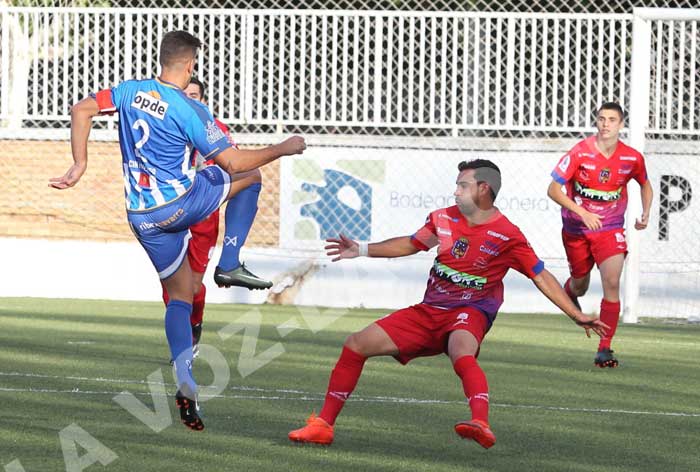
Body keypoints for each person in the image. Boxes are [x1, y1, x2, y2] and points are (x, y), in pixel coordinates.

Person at [50, 30, 306, 431]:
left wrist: (79, 164)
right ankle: (230, 262)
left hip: (141, 216)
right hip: (180, 203)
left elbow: (81, 109)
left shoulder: (129, 91)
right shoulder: (189, 109)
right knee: (251, 177)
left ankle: (186, 381)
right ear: (190, 64)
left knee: (180, 296)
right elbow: (234, 163)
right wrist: (283, 148)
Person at [288, 159, 607, 448]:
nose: (455, 191)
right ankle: (323, 426)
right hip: (429, 311)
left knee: (460, 350)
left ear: (484, 189)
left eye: (463, 185)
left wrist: (575, 314)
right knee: (356, 344)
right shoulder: (443, 218)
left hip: (471, 311)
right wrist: (360, 249)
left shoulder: (507, 234)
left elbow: (540, 276)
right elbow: (411, 244)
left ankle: (480, 422)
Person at [162, 77, 270, 362]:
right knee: (173, 286)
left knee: (193, 287)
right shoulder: (164, 124)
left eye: (194, 95)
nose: (189, 100)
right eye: (184, 94)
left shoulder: (213, 128)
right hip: (168, 209)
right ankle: (182, 345)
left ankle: (194, 326)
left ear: (203, 100)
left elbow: (234, 163)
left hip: (202, 215)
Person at [547, 102, 653, 368]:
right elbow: (553, 189)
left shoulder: (631, 158)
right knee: (580, 285)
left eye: (612, 119)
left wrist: (646, 212)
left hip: (610, 228)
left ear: (621, 124)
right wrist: (582, 212)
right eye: (602, 118)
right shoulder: (580, 152)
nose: (606, 124)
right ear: (596, 121)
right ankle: (570, 291)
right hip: (577, 229)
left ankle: (604, 348)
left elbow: (645, 184)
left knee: (612, 282)